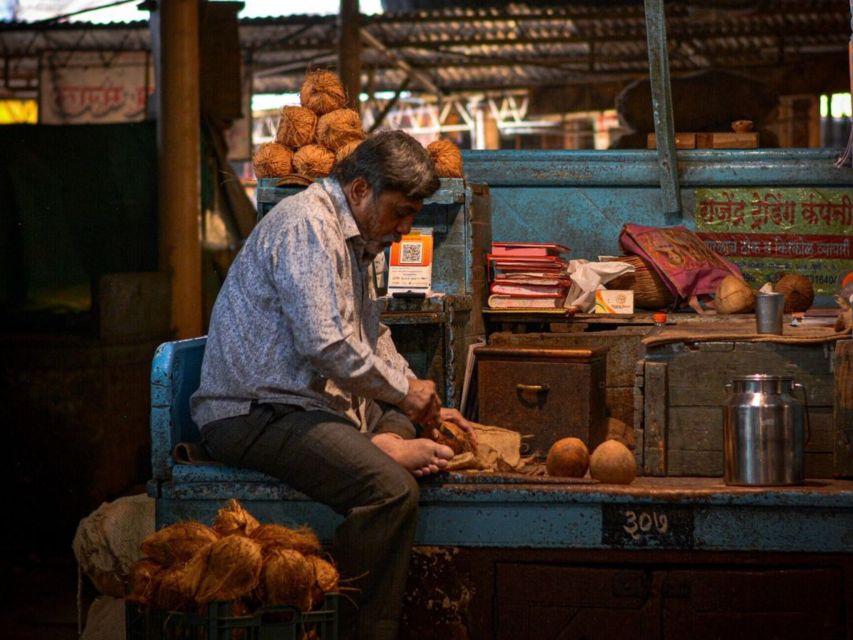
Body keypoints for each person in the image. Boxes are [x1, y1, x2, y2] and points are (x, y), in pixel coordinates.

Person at [190, 130, 475, 640]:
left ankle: (378, 444)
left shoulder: (359, 241)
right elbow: (324, 345)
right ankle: (363, 631)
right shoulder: (307, 225)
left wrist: (417, 397)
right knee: (391, 492)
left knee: (403, 414)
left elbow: (370, 334)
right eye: (401, 212)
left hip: (305, 409)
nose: (405, 228)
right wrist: (404, 393)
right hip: (253, 413)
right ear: (361, 189)